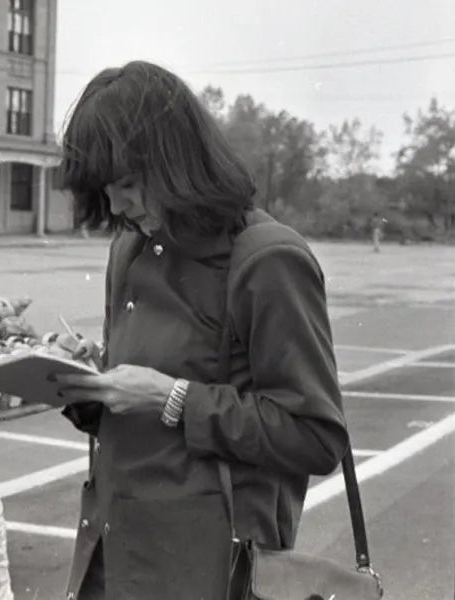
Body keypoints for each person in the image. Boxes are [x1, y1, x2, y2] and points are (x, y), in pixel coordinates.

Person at [53, 61, 351, 599]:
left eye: (127, 184)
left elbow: (315, 436)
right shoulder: (129, 248)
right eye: (106, 188)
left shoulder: (266, 259)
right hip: (112, 556)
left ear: (176, 164)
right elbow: (136, 411)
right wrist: (84, 384)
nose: (116, 205)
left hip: (209, 569)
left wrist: (172, 399)